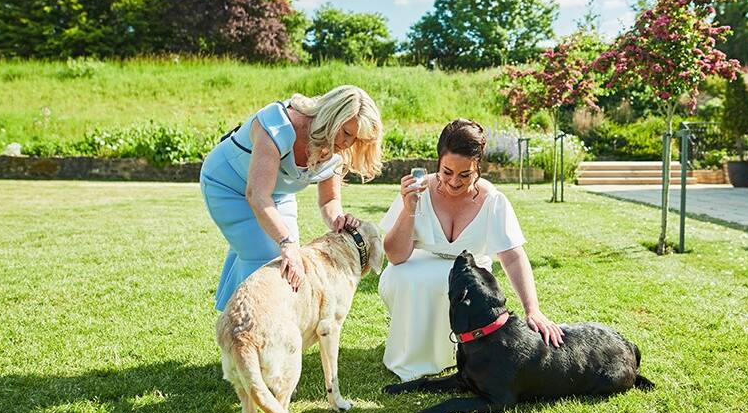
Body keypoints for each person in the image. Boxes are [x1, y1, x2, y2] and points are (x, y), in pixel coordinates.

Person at [378, 118, 564, 381]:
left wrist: (532, 309)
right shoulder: (418, 191)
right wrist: (409, 210)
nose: (454, 182)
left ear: (479, 167)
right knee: (408, 278)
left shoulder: (493, 200)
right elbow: (395, 256)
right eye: (446, 172)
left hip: (469, 271)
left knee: (456, 284)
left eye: (465, 174)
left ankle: (452, 352)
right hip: (412, 266)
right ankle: (411, 349)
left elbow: (512, 257)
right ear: (437, 162)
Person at [201, 85, 383, 311]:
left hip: (277, 193)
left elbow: (329, 201)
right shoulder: (277, 124)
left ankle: (267, 327)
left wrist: (338, 219)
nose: (347, 144)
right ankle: (246, 333)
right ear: (331, 117)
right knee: (268, 255)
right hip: (228, 184)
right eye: (346, 132)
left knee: (292, 266)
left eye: (355, 139)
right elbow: (257, 196)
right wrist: (286, 243)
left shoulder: (338, 152)